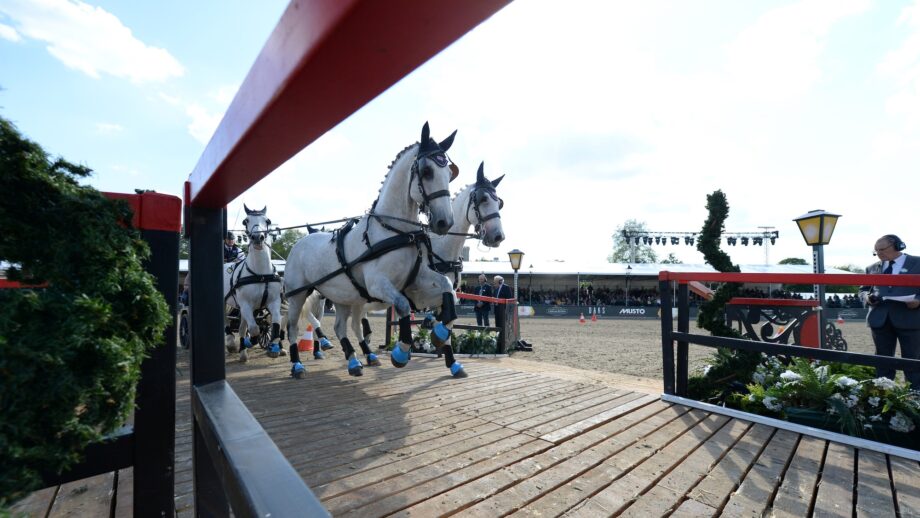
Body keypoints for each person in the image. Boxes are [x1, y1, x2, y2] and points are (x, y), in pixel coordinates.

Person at [859, 234, 920, 389]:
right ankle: (883, 396)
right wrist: (867, 298)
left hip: (910, 319)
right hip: (879, 320)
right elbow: (862, 290)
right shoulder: (871, 268)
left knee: (913, 361)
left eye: (882, 250)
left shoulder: (918, 263)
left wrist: (919, 300)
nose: (879, 254)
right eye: (876, 251)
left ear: (898, 246)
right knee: (882, 362)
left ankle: (915, 398)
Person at [493, 275, 513, 351]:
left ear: (500, 281)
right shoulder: (495, 288)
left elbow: (509, 298)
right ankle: (498, 340)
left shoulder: (506, 287)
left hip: (503, 311)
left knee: (504, 325)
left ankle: (504, 341)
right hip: (497, 310)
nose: (494, 283)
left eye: (495, 282)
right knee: (497, 325)